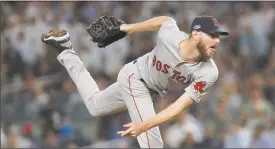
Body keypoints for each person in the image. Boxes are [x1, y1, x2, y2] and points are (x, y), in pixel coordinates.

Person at [41, 15, 229, 148]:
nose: (217, 40)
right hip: (135, 77)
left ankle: (65, 49)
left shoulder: (209, 72)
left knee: (95, 106)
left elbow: (178, 107)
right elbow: (165, 21)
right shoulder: (171, 36)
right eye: (212, 35)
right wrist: (126, 28)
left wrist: (143, 125)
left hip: (148, 89)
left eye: (218, 36)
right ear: (196, 34)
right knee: (153, 145)